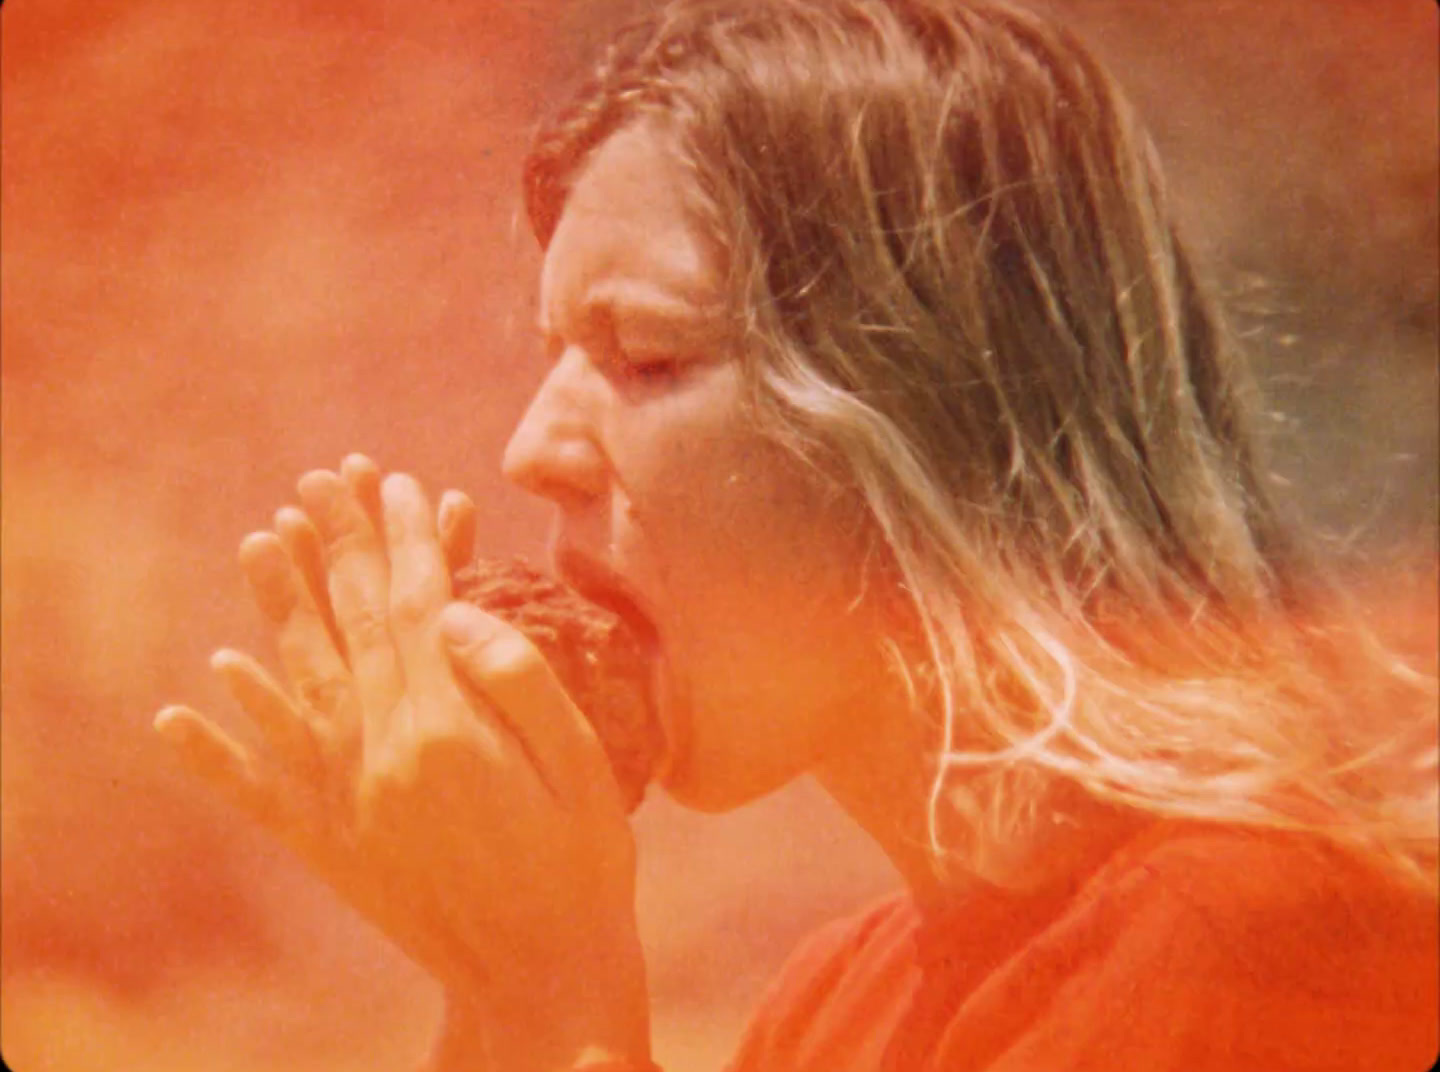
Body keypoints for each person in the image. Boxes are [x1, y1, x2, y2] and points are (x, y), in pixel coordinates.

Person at [155, 0, 1440, 1069]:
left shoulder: (1270, 944)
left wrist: (559, 1003)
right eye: (555, 358)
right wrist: (493, 991)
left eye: (648, 355)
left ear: (942, 412)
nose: (531, 450)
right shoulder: (833, 1010)